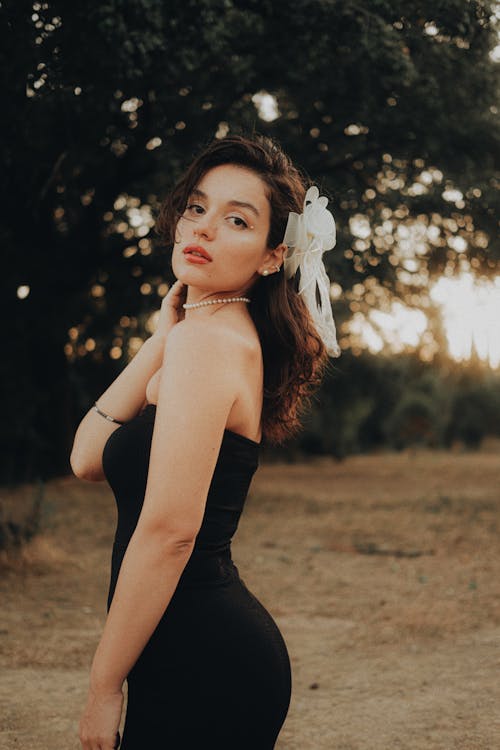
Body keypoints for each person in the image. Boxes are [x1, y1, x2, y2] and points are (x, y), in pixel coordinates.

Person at [70, 133, 340, 750]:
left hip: (205, 662)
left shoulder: (209, 344)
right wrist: (162, 336)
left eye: (236, 219)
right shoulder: (200, 336)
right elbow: (86, 455)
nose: (204, 228)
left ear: (273, 256)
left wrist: (102, 688)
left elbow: (170, 533)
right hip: (188, 652)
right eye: (197, 207)